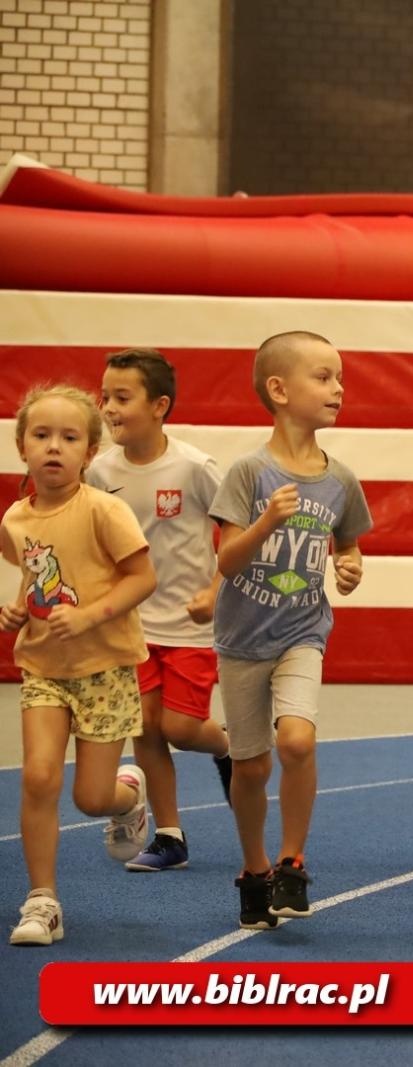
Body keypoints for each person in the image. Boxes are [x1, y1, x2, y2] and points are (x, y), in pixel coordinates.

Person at [210, 331, 371, 929]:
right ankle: (254, 870)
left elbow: (348, 545)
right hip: (242, 638)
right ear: (279, 390)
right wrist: (265, 522)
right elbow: (226, 561)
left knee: (297, 741)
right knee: (250, 767)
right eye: (324, 377)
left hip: (303, 630)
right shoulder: (249, 473)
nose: (338, 388)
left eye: (339, 378)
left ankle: (292, 862)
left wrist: (349, 567)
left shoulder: (340, 480)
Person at [4, 384, 156, 946]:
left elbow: (144, 577)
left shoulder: (104, 510)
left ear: (89, 452)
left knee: (89, 799)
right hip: (44, 668)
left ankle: (128, 797)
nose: (54, 447)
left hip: (105, 669)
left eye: (69, 438)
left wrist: (90, 616)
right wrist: (17, 609)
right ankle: (42, 900)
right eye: (41, 435)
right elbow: (34, 574)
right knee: (39, 776)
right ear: (22, 446)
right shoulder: (16, 519)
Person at [88, 349, 233, 873]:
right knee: (145, 729)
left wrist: (216, 589)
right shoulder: (101, 472)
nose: (108, 408)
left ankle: (226, 747)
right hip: (130, 626)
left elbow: (236, 529)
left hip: (190, 626)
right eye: (104, 397)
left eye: (122, 397)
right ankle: (170, 836)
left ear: (160, 405)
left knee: (181, 727)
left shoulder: (194, 468)